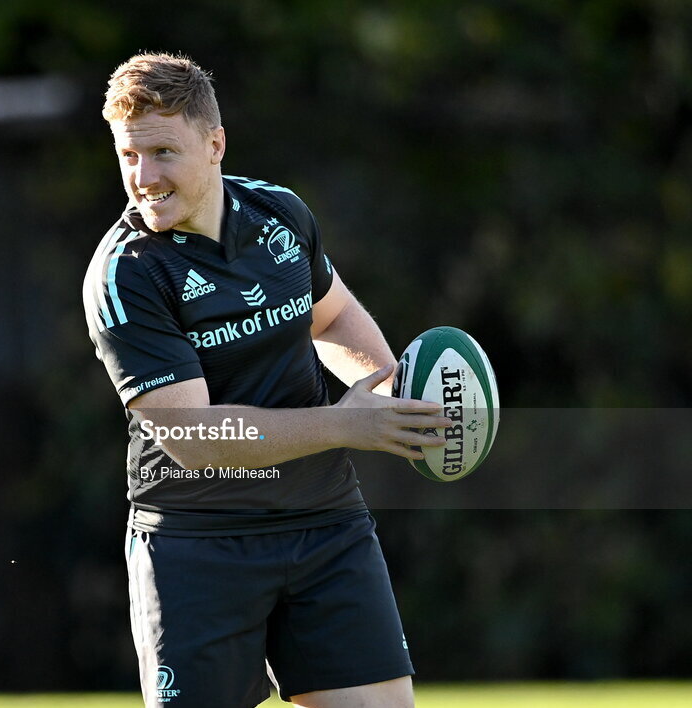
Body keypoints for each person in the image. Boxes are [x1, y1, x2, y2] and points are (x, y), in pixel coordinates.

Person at [83, 52, 450, 708]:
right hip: (199, 544)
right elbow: (193, 438)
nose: (143, 177)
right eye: (127, 157)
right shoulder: (126, 275)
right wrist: (344, 423)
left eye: (162, 152)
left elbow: (332, 316)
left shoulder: (278, 216)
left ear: (215, 142)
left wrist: (393, 393)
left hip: (325, 523)